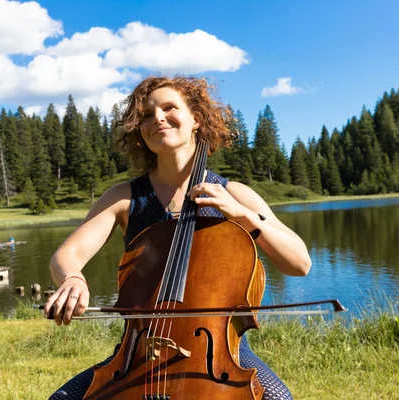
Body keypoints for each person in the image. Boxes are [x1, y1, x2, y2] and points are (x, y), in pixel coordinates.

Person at [44, 76, 312, 399]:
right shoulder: (125, 199)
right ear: (140, 131)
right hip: (139, 356)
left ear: (196, 119)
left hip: (222, 355)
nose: (157, 117)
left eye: (170, 107)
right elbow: (65, 256)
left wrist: (243, 216)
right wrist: (73, 278)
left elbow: (300, 262)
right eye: (146, 114)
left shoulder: (234, 193)